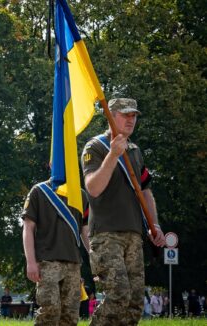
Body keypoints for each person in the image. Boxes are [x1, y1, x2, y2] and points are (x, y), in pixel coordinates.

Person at [81, 98, 166, 325]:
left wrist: (153, 224)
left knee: (135, 300)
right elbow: (93, 188)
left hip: (134, 234)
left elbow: (145, 191)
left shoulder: (135, 150)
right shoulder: (95, 147)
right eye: (126, 115)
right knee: (118, 294)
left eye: (134, 115)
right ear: (111, 115)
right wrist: (112, 156)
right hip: (106, 234)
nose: (131, 120)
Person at [22, 177, 90, 325]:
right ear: (52, 162)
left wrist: (94, 255)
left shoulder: (81, 194)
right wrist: (31, 262)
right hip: (47, 261)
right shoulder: (39, 191)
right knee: (50, 311)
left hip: (73, 263)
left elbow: (85, 230)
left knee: (70, 315)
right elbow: (28, 228)